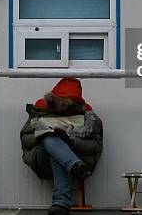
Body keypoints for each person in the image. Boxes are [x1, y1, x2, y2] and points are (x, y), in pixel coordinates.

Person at [20, 78, 103, 215]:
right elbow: (26, 140)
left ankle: (60, 204)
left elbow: (94, 147)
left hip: (74, 158)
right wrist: (42, 137)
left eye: (67, 105)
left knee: (57, 154)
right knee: (49, 137)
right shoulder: (39, 112)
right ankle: (74, 166)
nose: (63, 109)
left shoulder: (88, 118)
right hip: (44, 161)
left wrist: (71, 142)